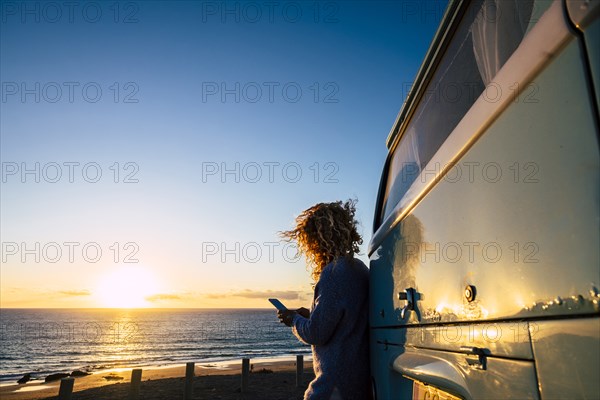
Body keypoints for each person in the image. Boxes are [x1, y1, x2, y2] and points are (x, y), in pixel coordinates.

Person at [278, 200, 372, 400]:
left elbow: (317, 332)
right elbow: (347, 320)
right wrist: (311, 315)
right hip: (358, 383)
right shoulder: (359, 269)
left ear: (317, 240)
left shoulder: (334, 273)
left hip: (334, 386)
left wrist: (293, 320)